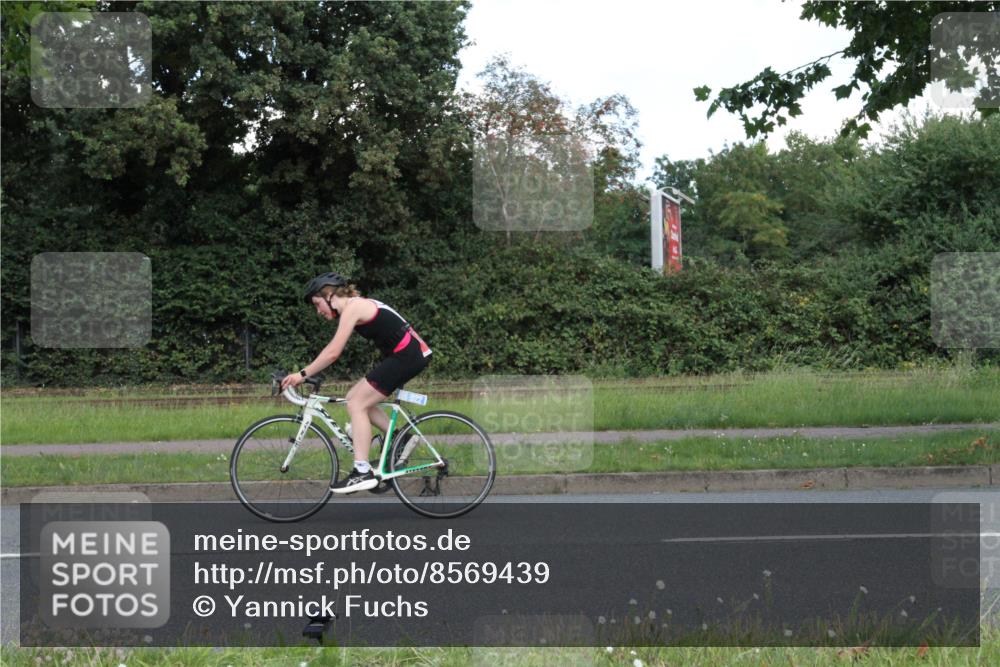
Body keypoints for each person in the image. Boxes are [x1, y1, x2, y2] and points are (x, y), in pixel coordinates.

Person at [280, 272, 432, 493]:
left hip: (408, 355)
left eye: (317, 304)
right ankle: (402, 438)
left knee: (357, 404)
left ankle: (362, 471)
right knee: (353, 397)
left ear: (329, 295)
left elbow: (333, 352)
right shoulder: (353, 307)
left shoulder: (353, 307)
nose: (318, 311)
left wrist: (301, 374)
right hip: (406, 355)